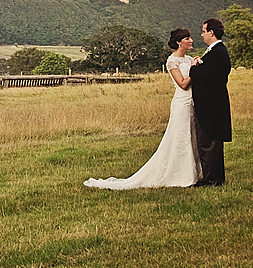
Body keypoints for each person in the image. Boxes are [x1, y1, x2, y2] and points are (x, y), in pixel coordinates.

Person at [83, 28, 202, 190]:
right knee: (179, 137)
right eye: (187, 38)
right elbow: (182, 84)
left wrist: (198, 65)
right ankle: (179, 175)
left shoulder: (189, 59)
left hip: (194, 102)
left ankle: (192, 173)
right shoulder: (172, 61)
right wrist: (194, 69)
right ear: (178, 42)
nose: (191, 40)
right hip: (182, 103)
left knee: (192, 136)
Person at [191, 17, 232, 186]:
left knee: (208, 142)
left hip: (211, 106)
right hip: (215, 104)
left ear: (211, 33)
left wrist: (194, 67)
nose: (201, 35)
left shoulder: (217, 53)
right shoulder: (217, 52)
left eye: (203, 31)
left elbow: (206, 78)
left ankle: (211, 179)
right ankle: (215, 177)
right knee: (212, 143)